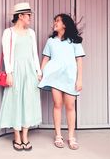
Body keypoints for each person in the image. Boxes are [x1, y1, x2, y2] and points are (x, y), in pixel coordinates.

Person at [0, 2, 42, 151]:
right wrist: (9, 73)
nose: (30, 18)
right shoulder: (8, 32)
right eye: (28, 15)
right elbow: (7, 55)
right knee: (15, 101)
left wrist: (38, 72)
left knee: (28, 101)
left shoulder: (31, 32)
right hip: (15, 71)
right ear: (21, 16)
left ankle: (25, 136)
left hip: (30, 71)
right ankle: (17, 136)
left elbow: (34, 54)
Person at [38, 13, 85, 150]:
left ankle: (71, 137)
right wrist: (41, 73)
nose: (54, 23)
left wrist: (80, 79)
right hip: (54, 77)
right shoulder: (50, 41)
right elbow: (46, 59)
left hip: (70, 78)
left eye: (57, 21)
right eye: (54, 21)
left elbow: (79, 61)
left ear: (65, 24)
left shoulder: (75, 41)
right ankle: (58, 135)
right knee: (57, 104)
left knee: (70, 106)